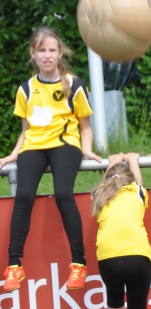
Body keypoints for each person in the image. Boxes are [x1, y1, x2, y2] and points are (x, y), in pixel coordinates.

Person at [0, 26, 101, 292]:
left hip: (64, 144)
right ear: (33, 53)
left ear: (60, 53)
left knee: (63, 194)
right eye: (41, 50)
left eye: (52, 50)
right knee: (23, 197)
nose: (47, 55)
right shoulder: (25, 89)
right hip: (34, 145)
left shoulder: (73, 84)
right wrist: (12, 155)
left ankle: (78, 263)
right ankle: (14, 267)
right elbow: (26, 130)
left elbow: (85, 125)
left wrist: (88, 149)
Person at [91, 152, 151, 309]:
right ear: (130, 181)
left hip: (108, 257)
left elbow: (108, 181)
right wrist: (135, 161)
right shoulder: (137, 193)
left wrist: (111, 163)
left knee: (114, 296)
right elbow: (138, 182)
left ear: (109, 179)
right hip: (138, 255)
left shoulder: (99, 195)